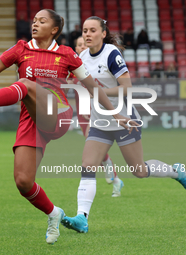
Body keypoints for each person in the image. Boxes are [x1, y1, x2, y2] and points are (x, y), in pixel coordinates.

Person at [0, 10, 136, 245]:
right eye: (33, 21)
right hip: (31, 119)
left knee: (25, 83)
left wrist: (115, 113)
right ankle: (54, 214)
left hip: (57, 113)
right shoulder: (20, 49)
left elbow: (92, 87)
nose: (35, 24)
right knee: (23, 181)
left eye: (42, 21)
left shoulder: (67, 54)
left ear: (54, 30)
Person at [62, 16, 185, 234]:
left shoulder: (111, 54)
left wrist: (97, 91)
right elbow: (84, 84)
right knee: (88, 166)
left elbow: (126, 88)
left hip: (124, 120)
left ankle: (177, 172)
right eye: (84, 31)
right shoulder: (81, 56)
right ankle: (82, 218)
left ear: (102, 33)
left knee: (139, 170)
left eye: (92, 30)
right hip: (100, 122)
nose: (87, 34)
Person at [72, 36, 123, 197]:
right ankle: (115, 179)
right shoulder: (73, 66)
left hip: (96, 109)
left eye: (83, 44)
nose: (81, 47)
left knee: (92, 143)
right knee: (93, 149)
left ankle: (112, 175)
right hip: (81, 112)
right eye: (78, 45)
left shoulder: (92, 65)